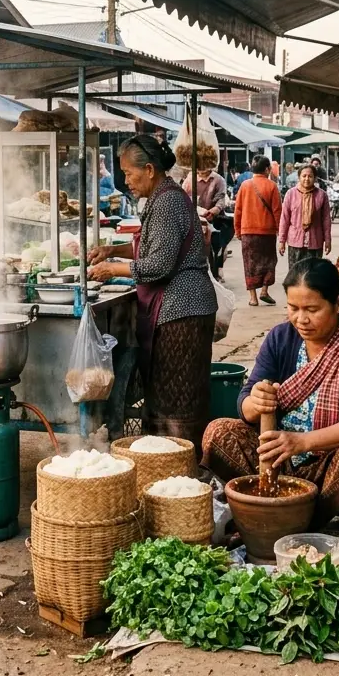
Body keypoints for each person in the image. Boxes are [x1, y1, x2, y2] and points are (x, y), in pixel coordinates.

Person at [201, 258, 339, 558]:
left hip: (330, 464)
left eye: (312, 309)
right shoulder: (281, 338)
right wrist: (255, 401)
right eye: (293, 308)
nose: (300, 319)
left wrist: (301, 442)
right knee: (218, 432)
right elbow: (244, 400)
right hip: (281, 463)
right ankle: (261, 516)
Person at [89, 135, 216, 448]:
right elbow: (149, 246)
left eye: (129, 173)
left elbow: (158, 264)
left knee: (177, 396)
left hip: (181, 312)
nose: (126, 181)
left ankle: (180, 462)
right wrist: (111, 250)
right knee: (168, 391)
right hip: (181, 310)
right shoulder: (162, 198)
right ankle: (168, 458)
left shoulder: (168, 202)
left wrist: (111, 269)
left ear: (148, 169)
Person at [234, 154, 283, 307]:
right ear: (267, 169)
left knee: (250, 264)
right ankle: (264, 291)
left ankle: (253, 297)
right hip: (267, 232)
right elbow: (277, 211)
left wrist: (237, 230)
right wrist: (280, 231)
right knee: (269, 262)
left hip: (248, 231)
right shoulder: (272, 186)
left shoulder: (245, 186)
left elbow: (238, 210)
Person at [278, 162, 330, 270]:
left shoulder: (322, 195)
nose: (307, 179)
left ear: (315, 178)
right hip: (295, 242)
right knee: (295, 274)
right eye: (304, 176)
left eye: (310, 176)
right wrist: (282, 241)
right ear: (299, 177)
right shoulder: (290, 194)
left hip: (315, 242)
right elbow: (284, 219)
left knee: (313, 275)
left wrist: (328, 241)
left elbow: (326, 220)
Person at [182, 161, 229, 281]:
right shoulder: (190, 178)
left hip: (215, 220)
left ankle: (216, 272)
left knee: (217, 249)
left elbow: (221, 200)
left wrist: (213, 211)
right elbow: (183, 196)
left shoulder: (218, 180)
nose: (201, 168)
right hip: (195, 218)